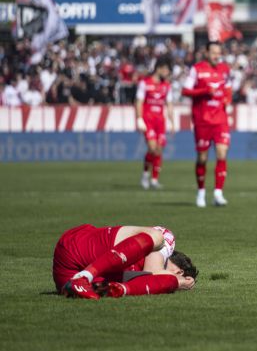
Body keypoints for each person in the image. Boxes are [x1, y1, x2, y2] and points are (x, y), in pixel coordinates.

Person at [54, 224, 197, 300]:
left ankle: (84, 279)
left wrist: (175, 282)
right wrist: (178, 281)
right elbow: (154, 270)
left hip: (67, 278)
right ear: (179, 271)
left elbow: (153, 277)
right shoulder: (167, 243)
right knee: (159, 236)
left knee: (120, 286)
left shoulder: (140, 277)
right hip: (79, 245)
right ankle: (85, 276)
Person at [182, 41, 232, 208]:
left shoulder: (224, 69)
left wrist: (227, 99)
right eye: (213, 53)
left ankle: (218, 193)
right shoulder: (197, 69)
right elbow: (185, 90)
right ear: (206, 53)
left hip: (220, 119)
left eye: (219, 53)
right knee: (202, 158)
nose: (216, 56)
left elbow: (228, 88)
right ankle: (201, 192)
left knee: (222, 152)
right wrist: (204, 91)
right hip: (202, 120)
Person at [136, 57, 175, 190]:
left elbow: (169, 104)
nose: (167, 73)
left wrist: (172, 122)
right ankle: (145, 175)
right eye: (166, 70)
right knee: (152, 148)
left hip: (160, 121)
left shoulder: (167, 86)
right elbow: (139, 102)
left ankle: (154, 179)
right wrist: (139, 119)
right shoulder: (145, 83)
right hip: (148, 120)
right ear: (158, 69)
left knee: (158, 150)